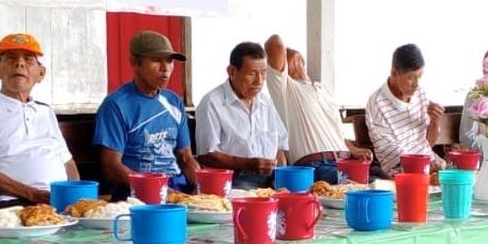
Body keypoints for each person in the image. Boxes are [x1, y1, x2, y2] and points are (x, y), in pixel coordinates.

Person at [0, 33, 78, 205]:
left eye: (28, 60)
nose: (19, 63)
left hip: (57, 201)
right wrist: (33, 194)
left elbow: (69, 163)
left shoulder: (46, 111)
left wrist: (74, 199)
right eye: (10, 58)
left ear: (41, 73)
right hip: (12, 203)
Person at [95, 31, 201, 196]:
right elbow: (112, 168)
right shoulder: (116, 105)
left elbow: (185, 157)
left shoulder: (173, 101)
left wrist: (200, 186)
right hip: (136, 192)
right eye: (156, 60)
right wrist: (159, 189)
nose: (165, 68)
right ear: (134, 62)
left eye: (169, 61)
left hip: (177, 187)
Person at [261, 35, 371, 183]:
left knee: (386, 180)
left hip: (345, 160)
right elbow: (274, 43)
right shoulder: (285, 90)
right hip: (317, 165)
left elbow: (335, 134)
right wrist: (284, 60)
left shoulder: (323, 91)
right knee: (372, 186)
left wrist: (354, 150)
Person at [196, 42, 290, 188]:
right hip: (235, 178)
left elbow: (280, 146)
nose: (259, 81)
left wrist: (281, 177)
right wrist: (249, 164)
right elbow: (207, 155)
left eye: (263, 73)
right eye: (251, 74)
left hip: (271, 176)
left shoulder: (265, 101)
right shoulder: (212, 102)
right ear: (232, 72)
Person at [366, 43, 446, 174]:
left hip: (427, 163)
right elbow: (390, 155)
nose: (416, 84)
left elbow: (427, 144)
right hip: (401, 171)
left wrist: (435, 120)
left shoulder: (420, 93)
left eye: (419, 76)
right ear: (394, 73)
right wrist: (424, 166)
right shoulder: (377, 103)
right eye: (410, 77)